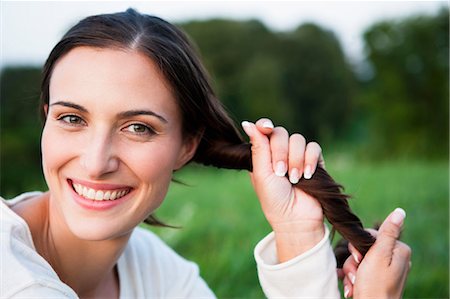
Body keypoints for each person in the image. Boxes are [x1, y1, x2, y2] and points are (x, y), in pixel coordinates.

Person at [0, 8, 411, 298]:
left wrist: (298, 236)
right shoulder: (16, 282)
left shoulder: (154, 268)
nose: (95, 161)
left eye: (138, 127)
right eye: (72, 119)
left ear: (186, 145)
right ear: (45, 120)